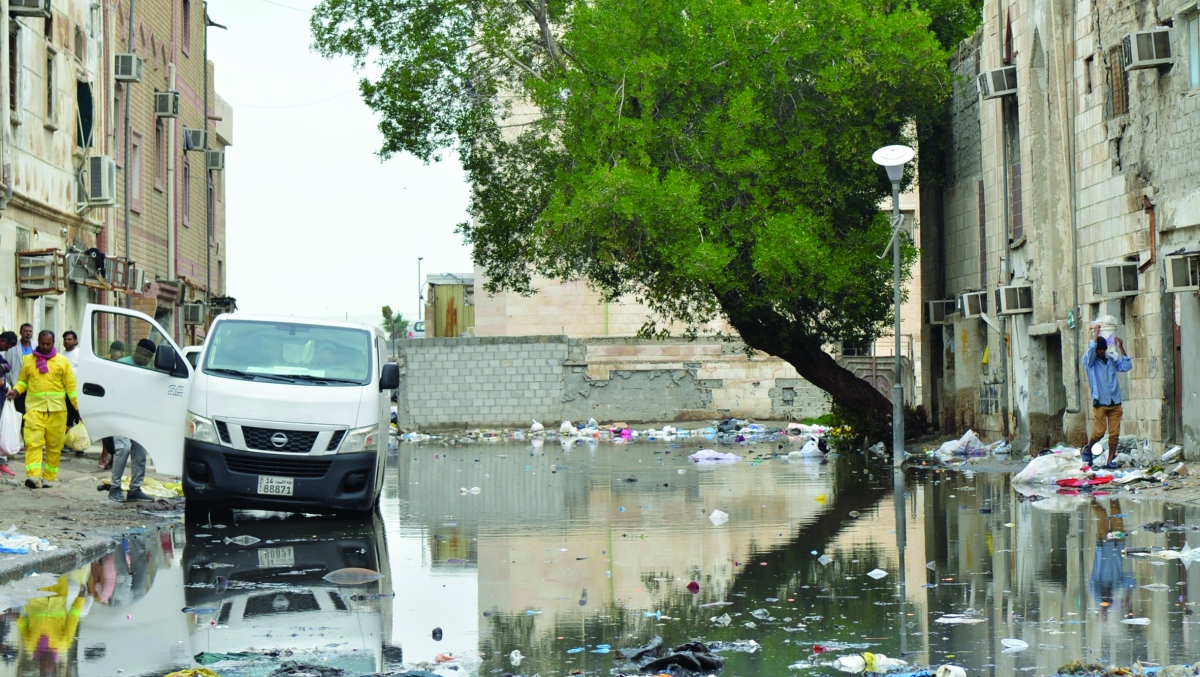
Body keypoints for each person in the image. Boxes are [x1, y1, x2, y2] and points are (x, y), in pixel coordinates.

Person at [6, 330, 78, 488]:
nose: (45, 347)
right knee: (33, 443)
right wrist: (16, 391)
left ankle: (49, 478)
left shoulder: (62, 361)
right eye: (42, 343)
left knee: (54, 446)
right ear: (38, 341)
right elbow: (23, 381)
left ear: (53, 343)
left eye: (48, 344)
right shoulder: (29, 360)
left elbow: (71, 388)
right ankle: (33, 476)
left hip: (57, 411)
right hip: (34, 410)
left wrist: (79, 409)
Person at [110, 338, 155, 502]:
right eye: (147, 356)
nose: (148, 360)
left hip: (138, 417)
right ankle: (114, 488)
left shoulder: (148, 369)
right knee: (124, 448)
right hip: (120, 414)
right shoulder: (122, 365)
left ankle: (135, 489)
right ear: (141, 352)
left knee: (141, 452)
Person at [1082, 325, 1132, 468]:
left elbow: (1126, 366)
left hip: (1115, 401)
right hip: (1100, 403)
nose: (1101, 351)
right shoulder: (1090, 362)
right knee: (1099, 432)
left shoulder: (1111, 360)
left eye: (1103, 349)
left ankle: (1110, 460)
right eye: (1099, 349)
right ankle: (1087, 448)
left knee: (1114, 434)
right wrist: (1096, 333)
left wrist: (1121, 348)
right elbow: (1091, 350)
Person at [61, 331, 83, 456]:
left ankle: (79, 446)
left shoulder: (80, 353)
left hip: (77, 393)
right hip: (64, 393)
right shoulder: (61, 355)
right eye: (65, 339)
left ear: (75, 340)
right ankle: (68, 444)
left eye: (69, 339)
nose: (67, 341)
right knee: (67, 420)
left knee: (79, 419)